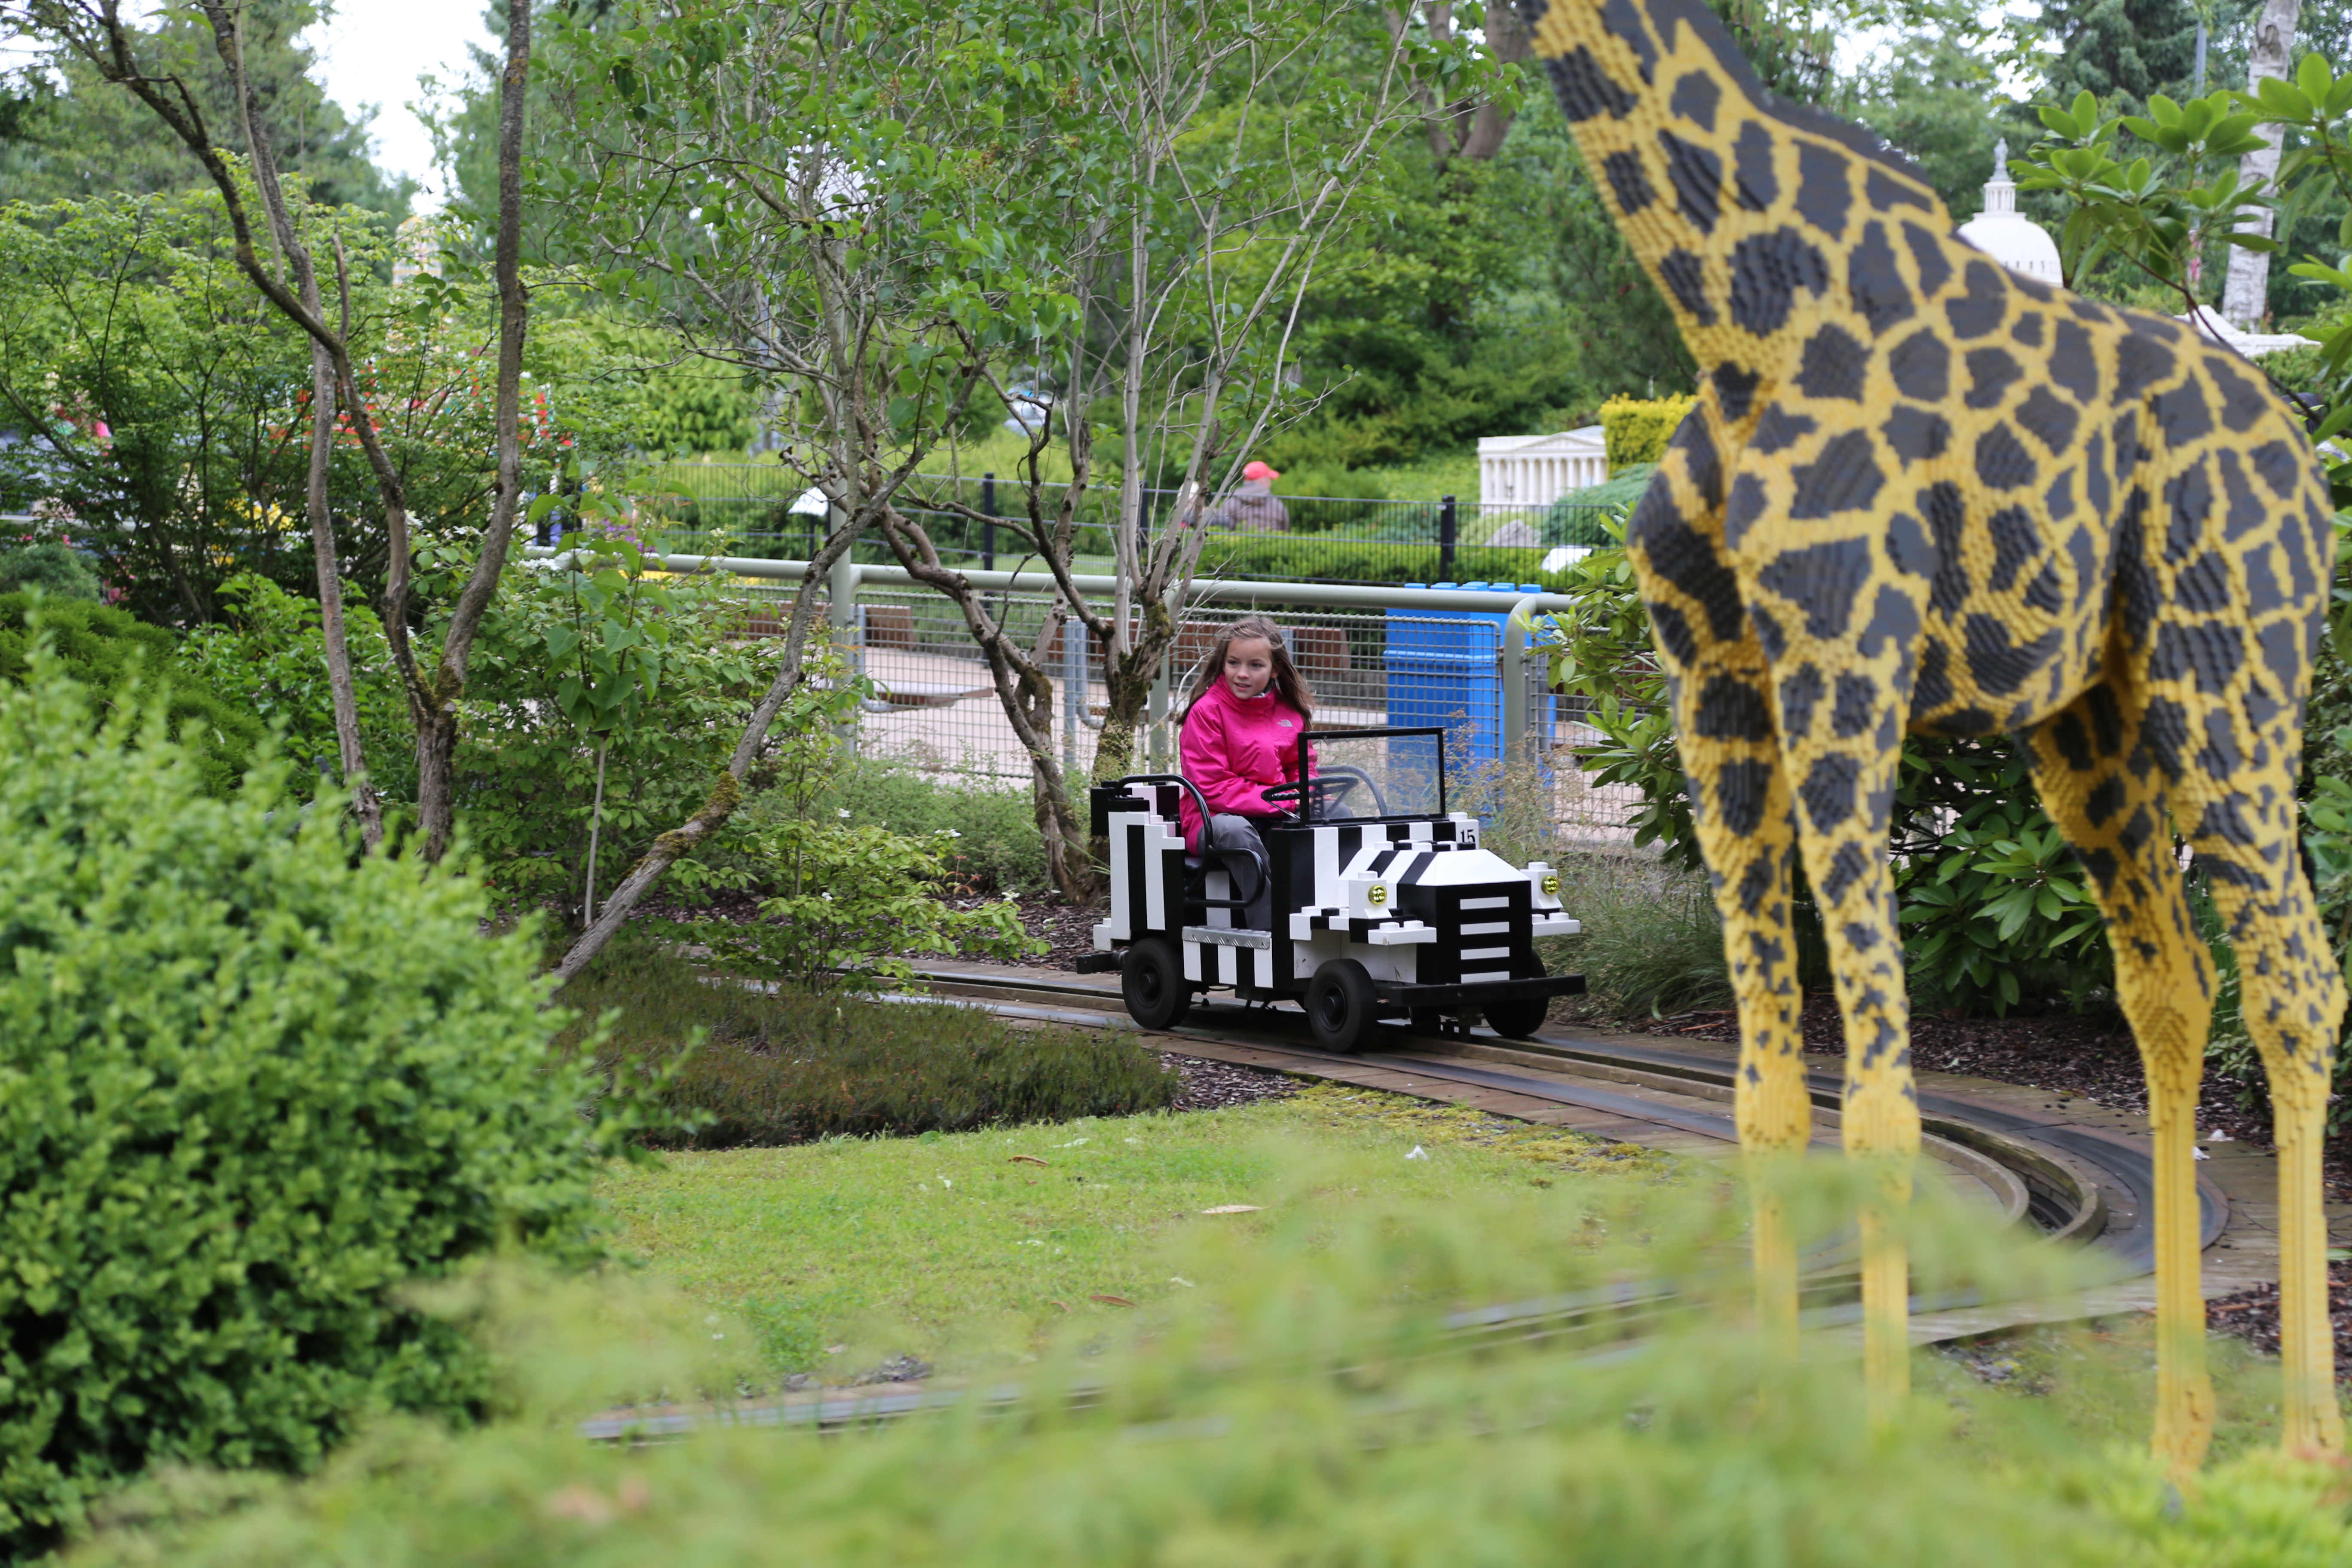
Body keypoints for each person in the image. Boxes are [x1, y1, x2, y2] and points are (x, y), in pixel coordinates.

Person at [1178, 614, 1313, 931]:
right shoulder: (1207, 712)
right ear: (1222, 664)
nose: (1242, 674)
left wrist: (1308, 798)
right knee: (1237, 831)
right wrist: (1282, 803)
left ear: (1275, 669)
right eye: (1234, 663)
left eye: (1255, 665)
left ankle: (1326, 914)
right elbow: (1213, 786)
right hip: (1213, 818)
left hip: (1273, 813)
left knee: (1336, 813)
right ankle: (1271, 933)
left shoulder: (1287, 712)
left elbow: (1304, 768)